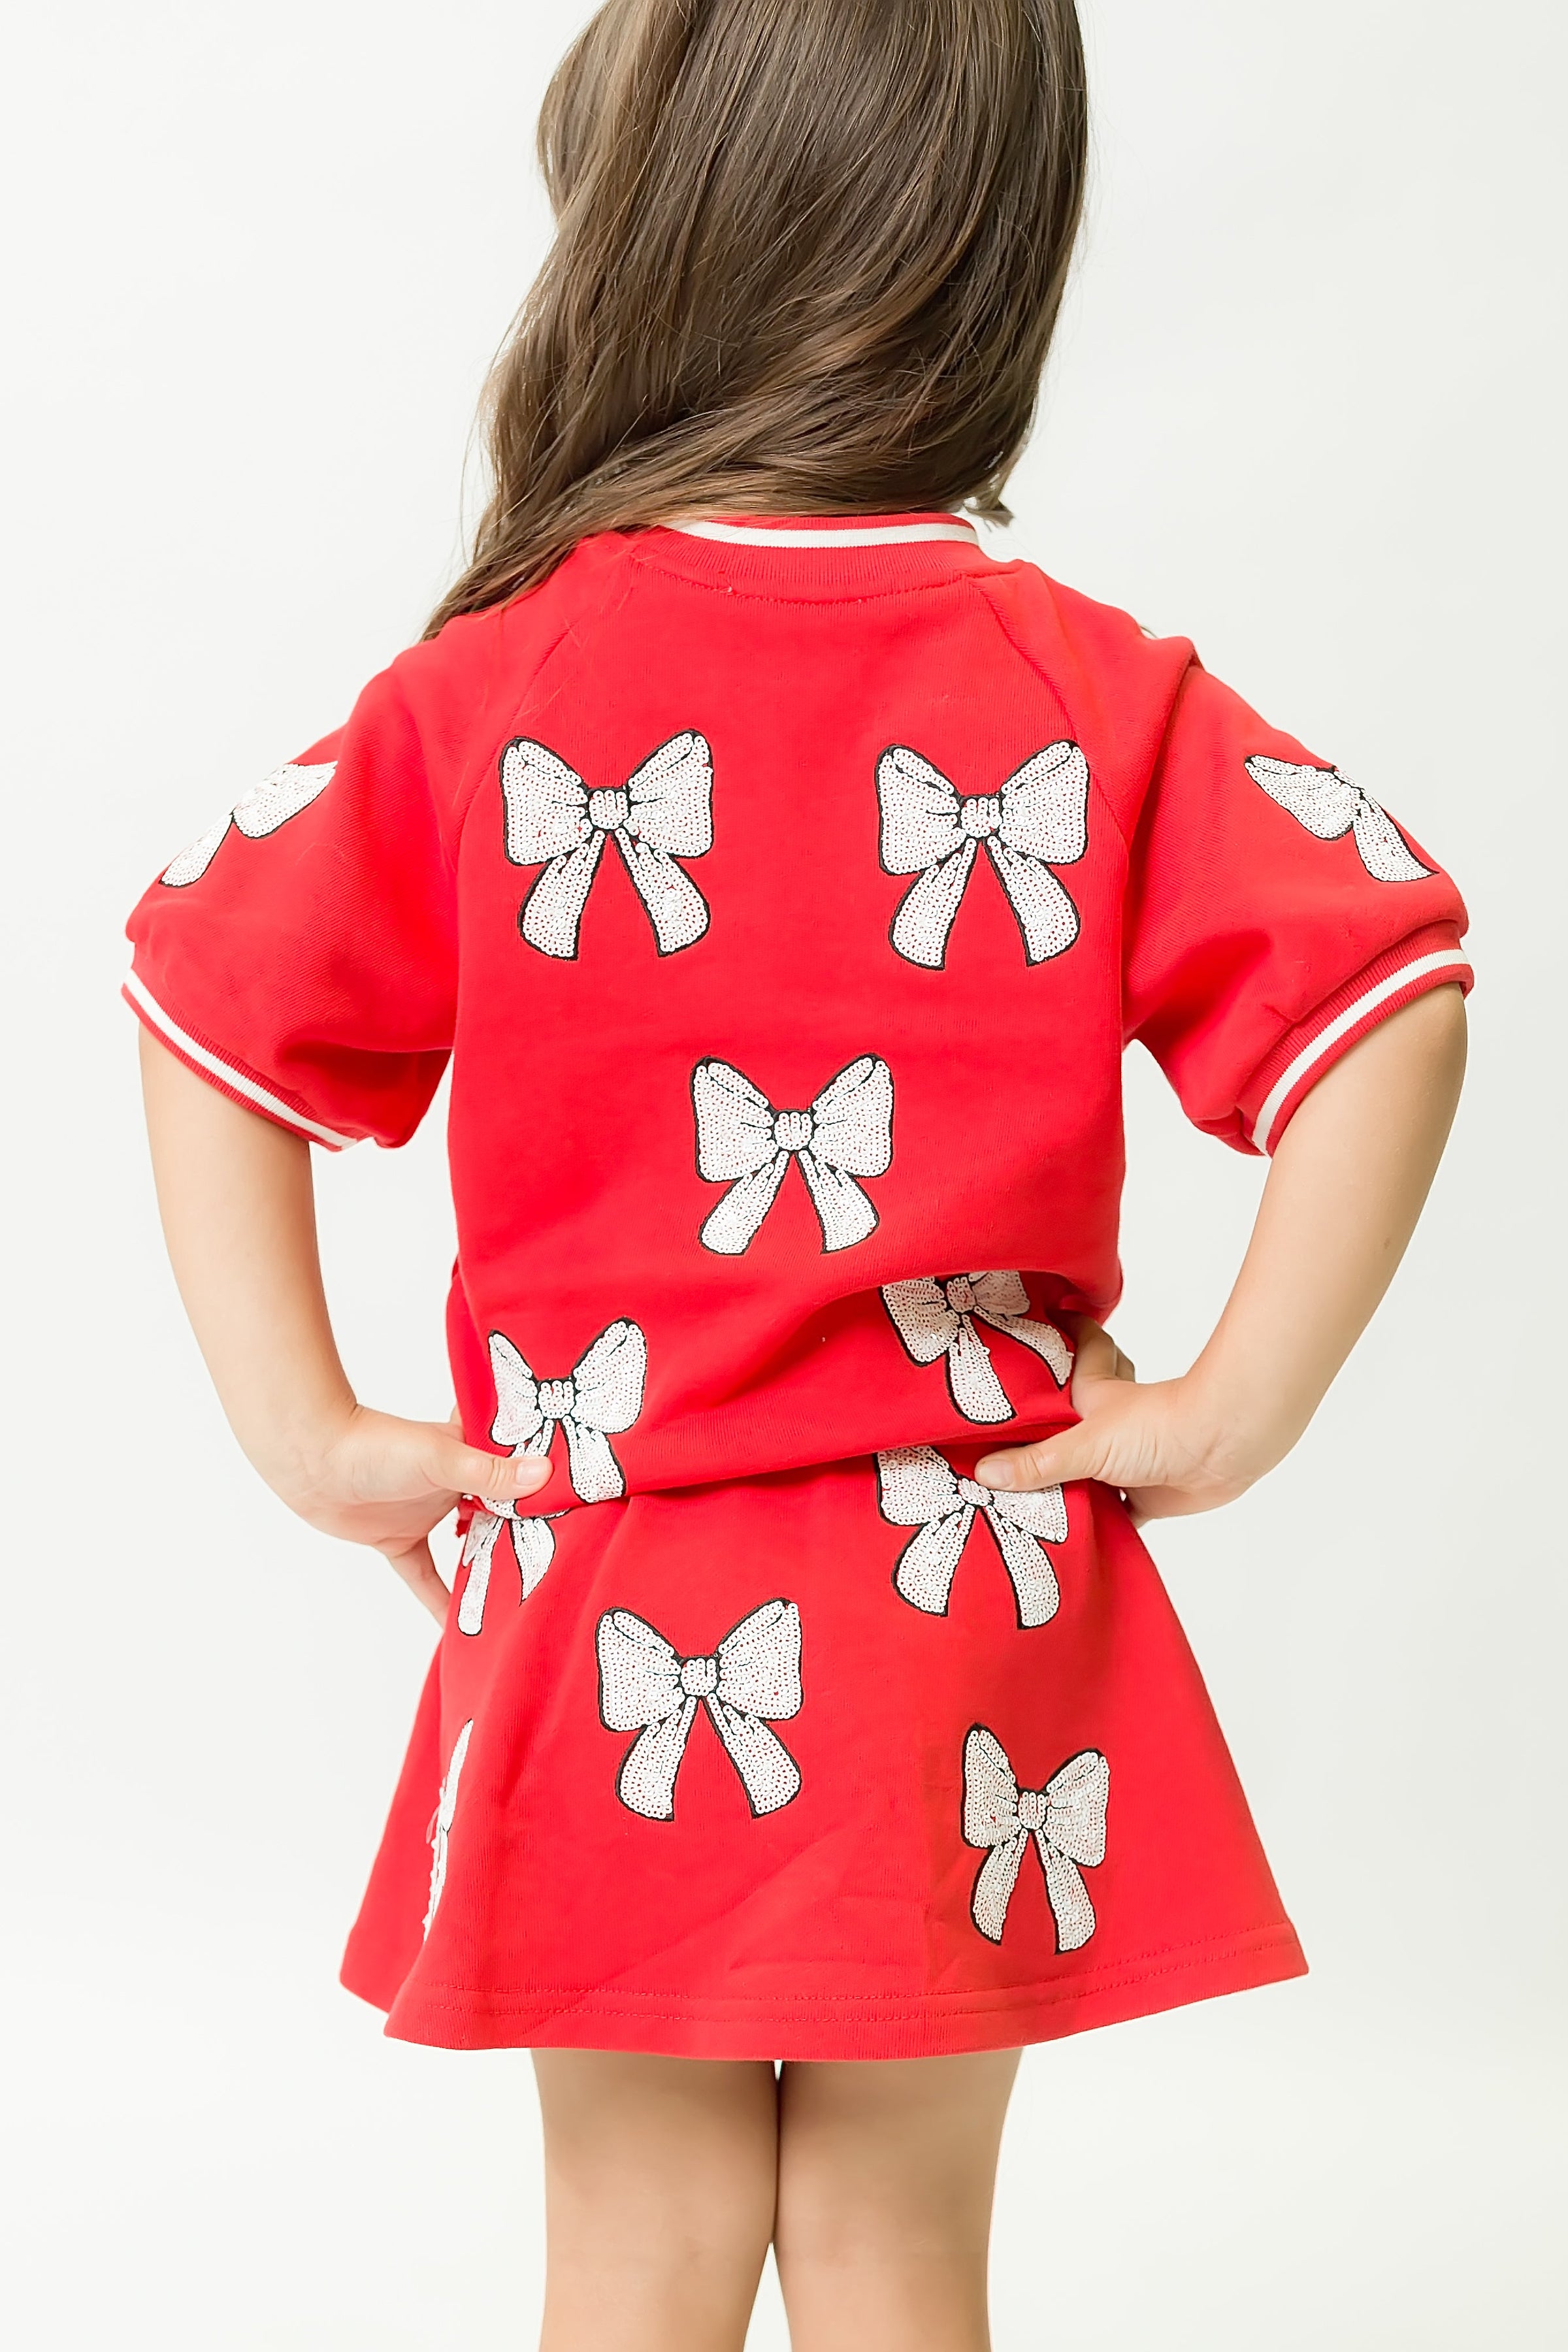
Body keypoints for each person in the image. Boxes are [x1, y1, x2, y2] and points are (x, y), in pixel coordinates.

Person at [124, 3, 1471, 2347]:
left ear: (637, 220)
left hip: (604, 1591)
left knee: (637, 2255)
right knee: (896, 2253)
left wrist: (309, 1432)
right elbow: (1394, 981)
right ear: (995, 248)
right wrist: (1231, 1410)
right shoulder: (1087, 690)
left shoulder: (499, 690)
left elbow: (199, 995)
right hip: (964, 1593)